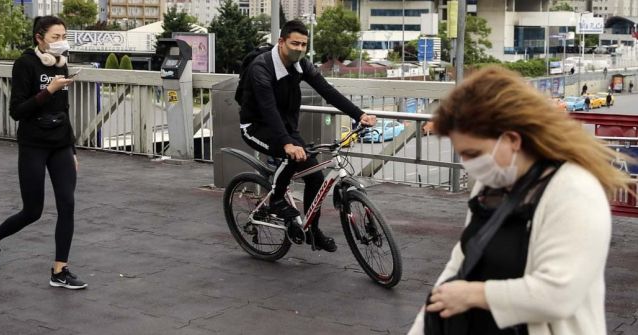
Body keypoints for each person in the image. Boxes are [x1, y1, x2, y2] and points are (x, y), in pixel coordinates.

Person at [408, 66, 632, 335]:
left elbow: (559, 294)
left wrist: (473, 294)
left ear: (512, 139)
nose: (468, 164)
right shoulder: (489, 183)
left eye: (473, 152)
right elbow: (463, 259)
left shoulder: (575, 190)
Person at [238, 20, 377, 252]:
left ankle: (313, 230)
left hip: (285, 128)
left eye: (304, 44)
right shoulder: (261, 68)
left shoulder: (301, 64)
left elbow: (327, 91)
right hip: (256, 127)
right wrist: (287, 144)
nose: (300, 49)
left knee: (315, 177)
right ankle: (276, 200)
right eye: (295, 43)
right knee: (290, 156)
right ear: (281, 42)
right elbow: (268, 109)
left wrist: (359, 114)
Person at [0, 16, 87, 290]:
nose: (61, 42)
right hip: (34, 145)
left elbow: (64, 110)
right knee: (33, 210)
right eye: (55, 37)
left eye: (63, 36)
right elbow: (17, 111)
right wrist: (49, 89)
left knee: (67, 205)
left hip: (60, 144)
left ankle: (60, 270)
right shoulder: (25, 64)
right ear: (39, 37)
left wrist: (72, 148)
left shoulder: (62, 64)